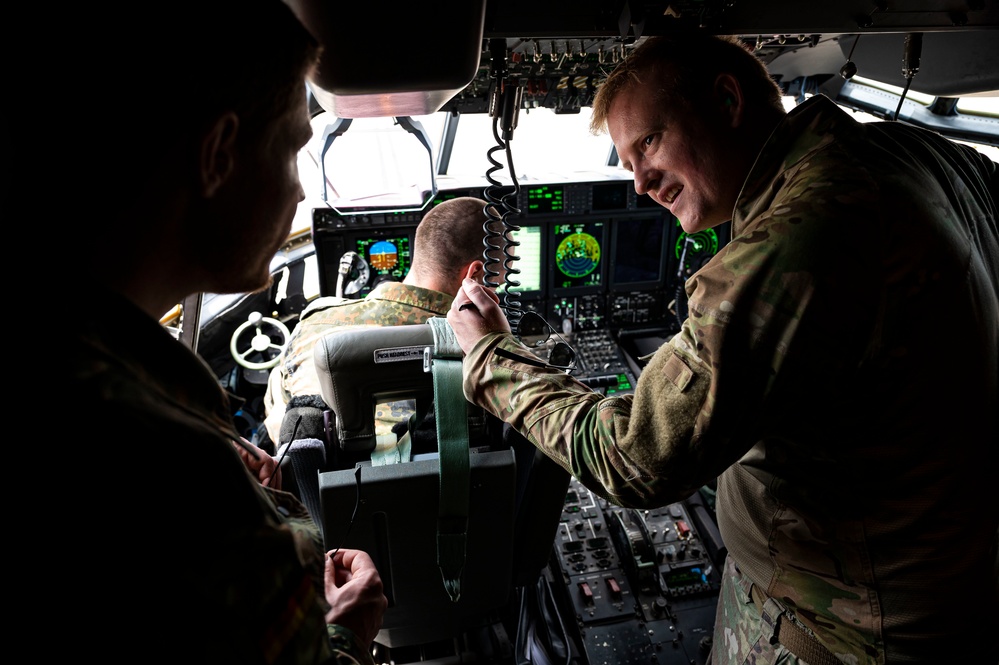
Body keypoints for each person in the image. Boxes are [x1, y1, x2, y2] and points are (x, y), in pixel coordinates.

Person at [448, 33, 998, 664]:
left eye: (648, 143)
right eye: (626, 162)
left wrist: (492, 355)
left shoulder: (798, 235)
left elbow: (636, 457)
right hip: (948, 584)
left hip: (843, 631)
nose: (639, 185)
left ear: (728, 99)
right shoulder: (923, 153)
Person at [61, 1, 388, 661]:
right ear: (216, 154)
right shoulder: (183, 475)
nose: (299, 194)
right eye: (294, 148)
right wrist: (345, 632)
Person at [262, 196, 501, 464]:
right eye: (501, 280)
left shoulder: (313, 324)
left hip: (325, 499)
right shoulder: (489, 350)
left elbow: (281, 430)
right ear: (476, 273)